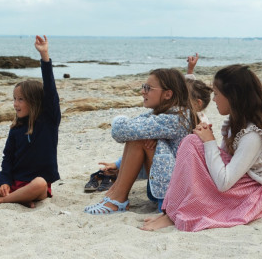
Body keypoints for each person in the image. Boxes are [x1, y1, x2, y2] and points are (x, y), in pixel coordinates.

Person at [141, 64, 262, 231]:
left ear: (232, 97)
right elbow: (224, 164)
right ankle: (171, 212)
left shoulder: (253, 136)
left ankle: (172, 215)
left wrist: (209, 142)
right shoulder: (234, 125)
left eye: (217, 94)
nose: (214, 99)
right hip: (239, 183)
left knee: (193, 142)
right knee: (191, 142)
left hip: (254, 192)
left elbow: (224, 182)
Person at [85, 55, 208, 194]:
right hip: (170, 186)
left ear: (168, 94)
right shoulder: (175, 114)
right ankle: (116, 192)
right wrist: (118, 165)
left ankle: (117, 196)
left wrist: (120, 118)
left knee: (140, 139)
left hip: (170, 193)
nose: (142, 91)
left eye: (148, 88)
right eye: (144, 87)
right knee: (143, 136)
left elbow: (119, 131)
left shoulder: (174, 119)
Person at [0, 35, 60, 211]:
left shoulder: (49, 121)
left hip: (35, 186)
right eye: (14, 99)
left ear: (35, 101)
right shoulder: (16, 129)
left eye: (21, 99)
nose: (15, 104)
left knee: (39, 183)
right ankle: (18, 199)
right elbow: (7, 158)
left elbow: (51, 90)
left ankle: (1, 201)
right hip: (15, 180)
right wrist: (6, 181)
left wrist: (44, 55)